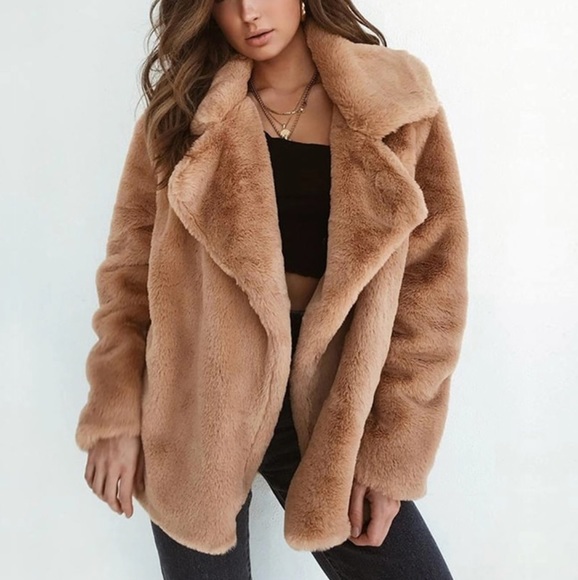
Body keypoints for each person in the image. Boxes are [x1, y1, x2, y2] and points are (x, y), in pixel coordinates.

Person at [76, 0, 469, 578]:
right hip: (195, 402)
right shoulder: (184, 114)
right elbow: (129, 276)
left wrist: (390, 453)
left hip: (333, 402)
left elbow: (432, 295)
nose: (249, 13)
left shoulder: (397, 103)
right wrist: (116, 413)